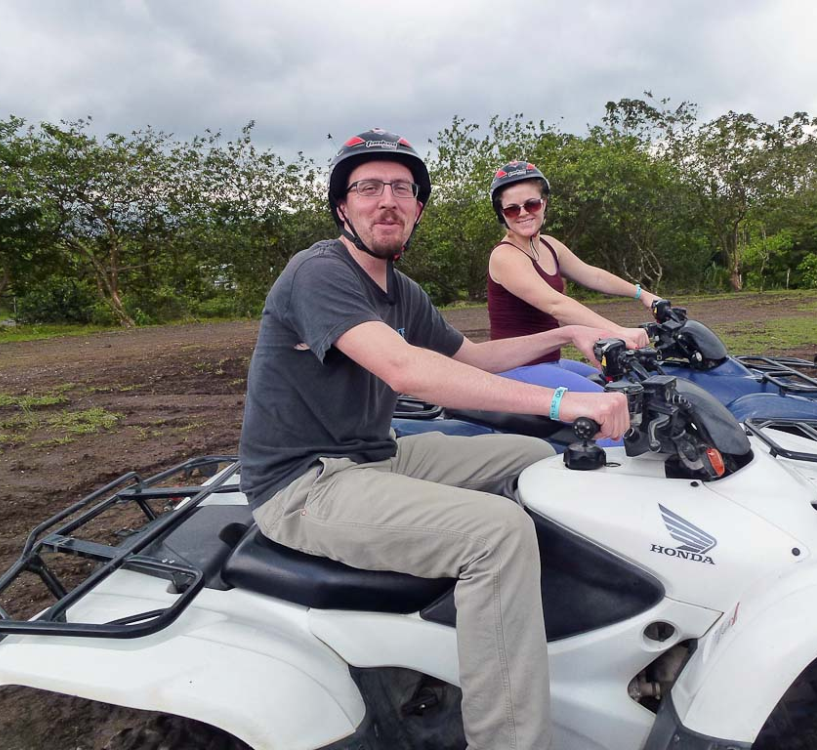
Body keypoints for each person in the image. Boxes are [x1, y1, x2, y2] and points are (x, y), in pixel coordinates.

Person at [238, 129, 631, 750]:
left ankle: (504, 622)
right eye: (368, 187)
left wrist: (568, 336)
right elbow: (409, 370)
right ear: (342, 204)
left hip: (377, 454)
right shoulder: (319, 273)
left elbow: (472, 356)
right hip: (304, 482)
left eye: (402, 188)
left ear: (418, 207)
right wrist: (564, 398)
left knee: (534, 456)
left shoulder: (403, 293)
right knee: (497, 533)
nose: (386, 201)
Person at [487, 160, 663, 392]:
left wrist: (642, 294)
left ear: (544, 204)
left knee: (632, 380)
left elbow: (594, 276)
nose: (523, 214)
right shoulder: (505, 256)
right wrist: (618, 331)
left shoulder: (549, 245)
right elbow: (555, 304)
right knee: (612, 402)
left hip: (550, 362)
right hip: (515, 368)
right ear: (502, 214)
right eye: (512, 209)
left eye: (531, 205)